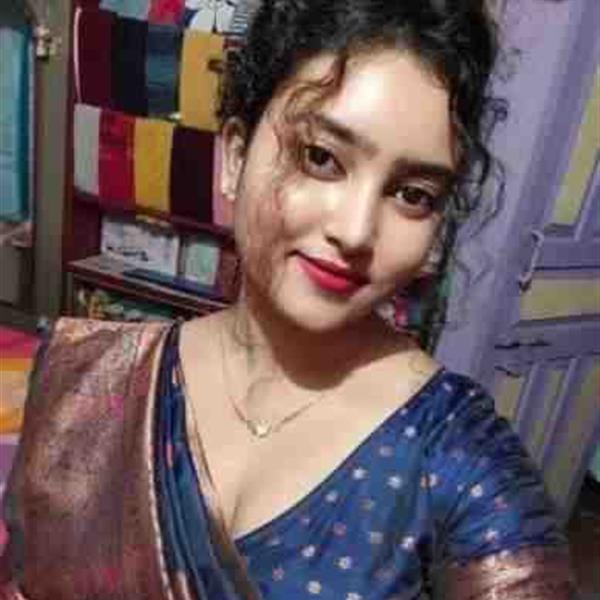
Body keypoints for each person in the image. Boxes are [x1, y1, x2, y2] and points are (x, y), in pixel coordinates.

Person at [0, 1, 578, 598]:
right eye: (321, 158)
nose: (356, 231)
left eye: (412, 194)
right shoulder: (90, 378)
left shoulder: (456, 454)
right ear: (235, 157)